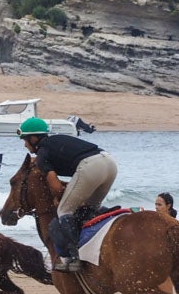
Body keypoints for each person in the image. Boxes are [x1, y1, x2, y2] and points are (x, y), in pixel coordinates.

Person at [17, 117, 117, 273]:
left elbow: (56, 188)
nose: (24, 144)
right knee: (90, 208)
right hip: (110, 163)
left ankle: (74, 259)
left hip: (91, 166)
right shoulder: (56, 141)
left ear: (34, 138)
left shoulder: (42, 154)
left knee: (64, 210)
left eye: (25, 140)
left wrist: (59, 198)